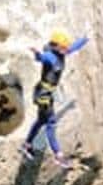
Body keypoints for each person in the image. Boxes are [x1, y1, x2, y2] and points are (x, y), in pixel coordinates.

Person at [20, 28, 88, 168]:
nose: (66, 50)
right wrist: (36, 52)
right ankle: (58, 156)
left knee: (41, 120)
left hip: (47, 94)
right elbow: (41, 58)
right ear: (56, 46)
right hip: (43, 95)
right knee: (51, 123)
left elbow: (73, 48)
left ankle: (27, 145)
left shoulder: (61, 52)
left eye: (65, 47)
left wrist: (85, 38)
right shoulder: (50, 56)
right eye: (63, 47)